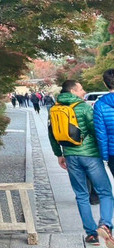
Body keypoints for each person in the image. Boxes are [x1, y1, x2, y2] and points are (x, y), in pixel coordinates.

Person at [48, 79, 114, 246]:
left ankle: (91, 234)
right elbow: (96, 130)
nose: (83, 91)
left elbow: (52, 134)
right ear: (72, 92)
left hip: (70, 156)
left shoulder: (54, 109)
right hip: (90, 155)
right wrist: (104, 153)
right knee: (105, 192)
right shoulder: (84, 107)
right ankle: (105, 225)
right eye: (81, 89)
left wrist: (59, 155)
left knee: (81, 195)